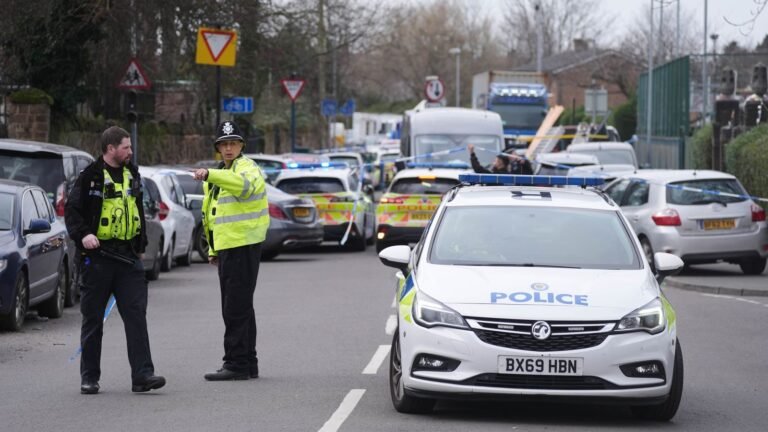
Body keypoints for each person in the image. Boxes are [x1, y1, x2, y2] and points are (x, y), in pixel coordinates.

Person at [65, 126, 165, 395]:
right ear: (111, 149)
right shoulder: (90, 177)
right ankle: (90, 378)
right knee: (93, 319)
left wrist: (140, 246)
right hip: (98, 259)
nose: (130, 152)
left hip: (128, 258)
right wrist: (84, 235)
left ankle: (143, 376)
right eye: (126, 147)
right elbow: (72, 212)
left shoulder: (132, 173)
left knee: (136, 316)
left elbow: (137, 212)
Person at [193, 121, 270, 381]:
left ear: (241, 146)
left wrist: (210, 175)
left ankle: (236, 363)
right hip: (228, 246)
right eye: (224, 144)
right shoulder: (217, 175)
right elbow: (211, 215)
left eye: (233, 143)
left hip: (243, 244)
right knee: (241, 306)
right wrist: (213, 249)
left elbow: (244, 186)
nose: (228, 148)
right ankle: (248, 362)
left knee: (234, 307)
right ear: (218, 148)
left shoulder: (246, 168)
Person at [468, 144, 532, 175]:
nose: (493, 162)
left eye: (495, 160)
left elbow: (478, 168)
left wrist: (472, 153)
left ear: (500, 163)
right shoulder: (510, 175)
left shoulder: (495, 175)